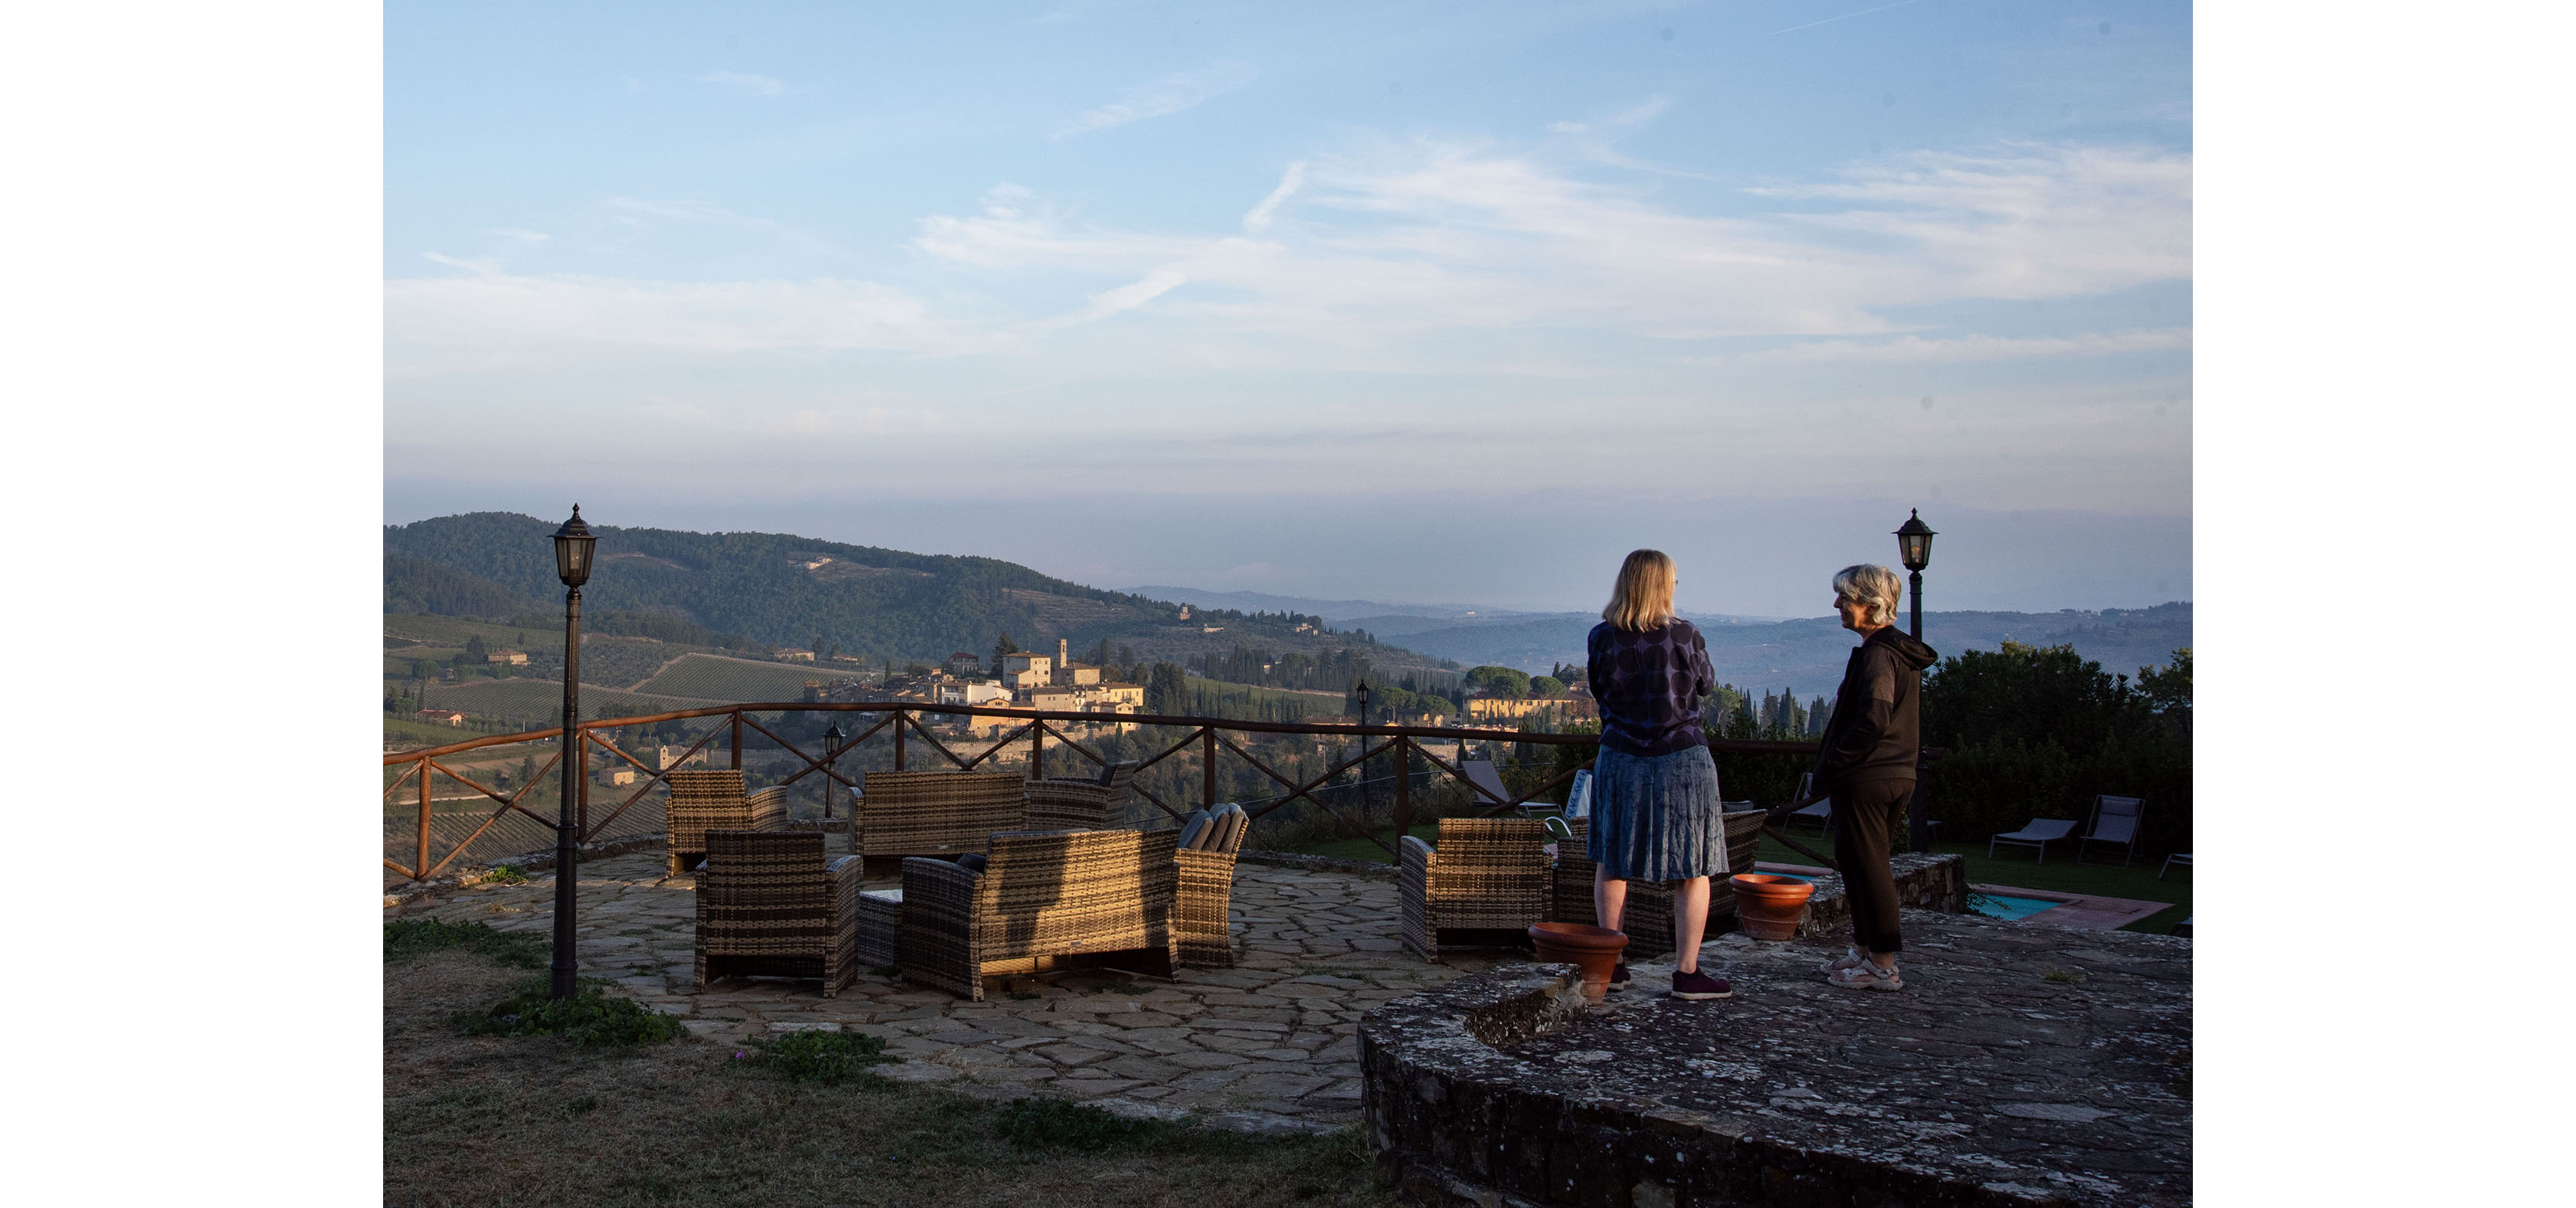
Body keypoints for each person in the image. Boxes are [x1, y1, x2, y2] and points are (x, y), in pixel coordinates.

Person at [1585, 549, 1732, 1000]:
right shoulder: (1684, 634)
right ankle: (1687, 972)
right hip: (1681, 757)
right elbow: (1707, 684)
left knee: (1613, 858)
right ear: (1663, 585)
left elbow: (1599, 691)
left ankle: (1611, 963)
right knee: (1693, 866)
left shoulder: (1601, 637)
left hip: (1620, 755)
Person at [1810, 565, 1939, 992]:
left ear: (1870, 605)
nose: (1837, 605)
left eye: (1845, 599)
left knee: (1870, 868)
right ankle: (1865, 950)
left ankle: (1883, 965)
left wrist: (1836, 762)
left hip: (1870, 775)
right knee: (1856, 861)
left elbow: (1874, 719)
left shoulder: (1880, 655)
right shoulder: (1895, 651)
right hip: (1895, 772)